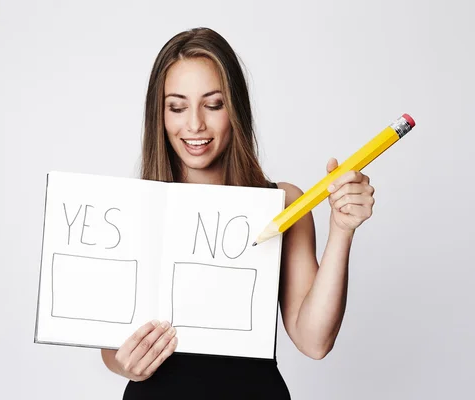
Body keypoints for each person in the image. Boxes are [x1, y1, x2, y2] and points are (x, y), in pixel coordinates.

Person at [100, 27, 376, 399]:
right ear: (159, 115)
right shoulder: (135, 207)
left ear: (236, 108)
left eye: (213, 104)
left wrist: (342, 231)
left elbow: (314, 341)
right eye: (177, 107)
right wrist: (125, 362)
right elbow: (111, 351)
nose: (195, 124)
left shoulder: (282, 203)